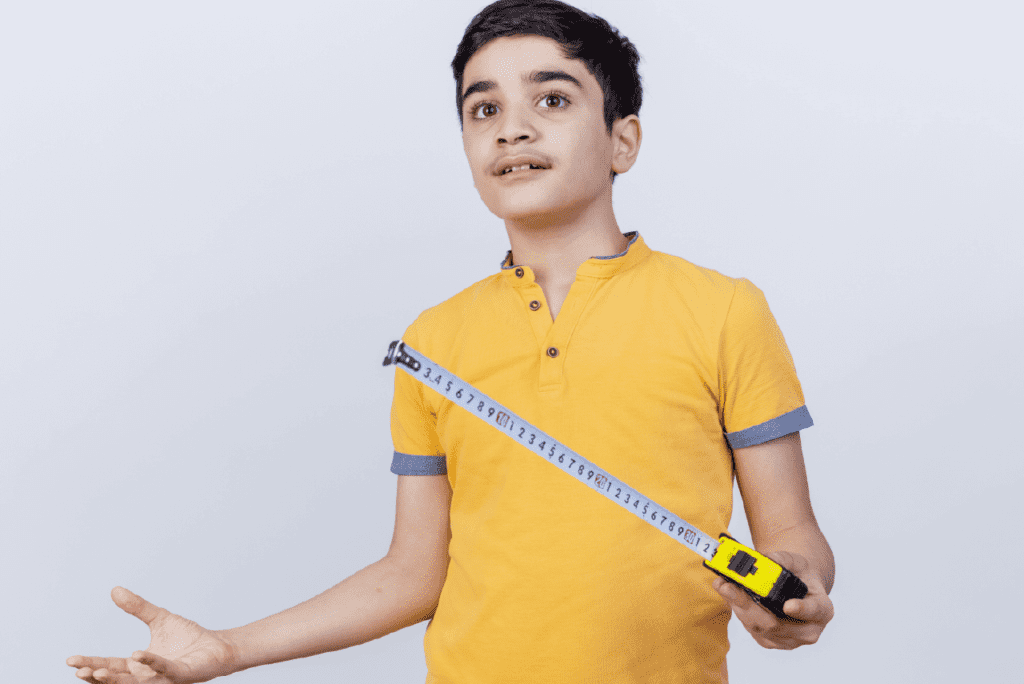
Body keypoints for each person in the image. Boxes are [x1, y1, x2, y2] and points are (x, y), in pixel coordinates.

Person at [67, 1, 834, 682]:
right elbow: (414, 571)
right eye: (483, 109)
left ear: (622, 140)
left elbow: (793, 535)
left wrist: (795, 591)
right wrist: (229, 649)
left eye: (553, 98)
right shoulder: (434, 342)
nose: (513, 126)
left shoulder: (723, 310)